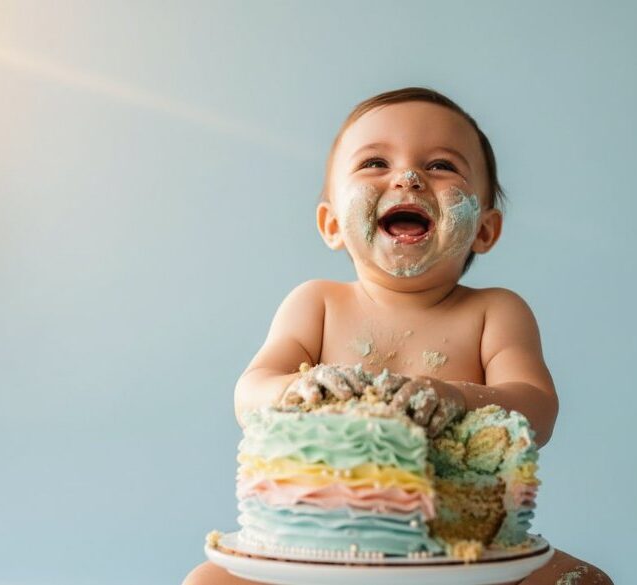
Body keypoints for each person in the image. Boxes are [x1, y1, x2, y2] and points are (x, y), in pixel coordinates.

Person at [183, 87, 612, 585]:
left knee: (584, 581)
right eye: (374, 163)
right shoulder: (317, 304)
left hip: (466, 553)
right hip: (316, 556)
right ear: (332, 223)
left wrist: (455, 395)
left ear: (485, 230)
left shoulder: (493, 311)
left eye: (441, 166)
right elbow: (249, 392)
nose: (408, 177)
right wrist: (293, 390)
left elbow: (538, 408)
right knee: (207, 581)